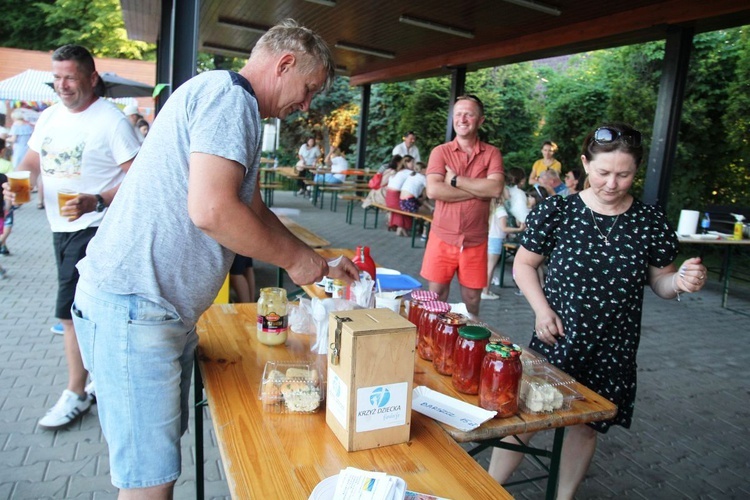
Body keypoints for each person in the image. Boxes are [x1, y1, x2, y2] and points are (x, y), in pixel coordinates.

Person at [71, 19, 359, 498]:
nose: (305, 106)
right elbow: (212, 210)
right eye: (308, 90)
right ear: (284, 63)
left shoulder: (225, 96)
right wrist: (294, 261)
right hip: (136, 307)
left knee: (155, 469)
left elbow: (251, 209)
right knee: (149, 482)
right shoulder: (233, 99)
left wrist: (316, 261)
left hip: (152, 310)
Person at [488, 123, 708, 499]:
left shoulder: (649, 221)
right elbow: (523, 266)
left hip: (613, 348)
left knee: (586, 426)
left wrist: (683, 283)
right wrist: (541, 311)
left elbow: (663, 282)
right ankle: (485, 490)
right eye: (604, 172)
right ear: (586, 164)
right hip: (555, 337)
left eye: (624, 175)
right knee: (526, 418)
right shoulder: (557, 210)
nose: (612, 183)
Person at [1, 45, 141, 430]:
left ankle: (76, 393)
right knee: (90, 314)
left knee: (69, 315)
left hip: (95, 230)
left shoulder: (111, 122)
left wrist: (96, 199)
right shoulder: (48, 118)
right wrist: (17, 185)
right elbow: (30, 163)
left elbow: (140, 177)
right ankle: (99, 379)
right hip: (59, 229)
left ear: (92, 78)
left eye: (69, 77)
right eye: (56, 78)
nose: (61, 85)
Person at [420, 95, 504, 316]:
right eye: (458, 114)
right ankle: (434, 340)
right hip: (442, 236)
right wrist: (478, 192)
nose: (462, 119)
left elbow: (495, 189)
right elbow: (434, 190)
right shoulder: (440, 152)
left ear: (481, 120)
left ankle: (470, 342)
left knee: (472, 299)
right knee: (436, 296)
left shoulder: (492, 153)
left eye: (469, 114)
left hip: (475, 240)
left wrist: (455, 180)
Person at [482, 167, 528, 299]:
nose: (509, 192)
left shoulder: (495, 207)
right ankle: (485, 291)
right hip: (496, 240)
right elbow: (504, 228)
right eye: (507, 190)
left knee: (489, 266)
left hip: (492, 238)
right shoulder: (501, 209)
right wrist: (519, 230)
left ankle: (484, 290)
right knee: (490, 266)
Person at [397, 160, 428, 237]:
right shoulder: (422, 178)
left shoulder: (412, 175)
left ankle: (421, 230)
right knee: (429, 213)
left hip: (402, 202)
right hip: (409, 202)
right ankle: (424, 234)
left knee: (424, 205)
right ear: (423, 170)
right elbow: (431, 189)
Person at [385, 154, 414, 233]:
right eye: (412, 163)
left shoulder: (399, 171)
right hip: (395, 198)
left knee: (405, 201)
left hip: (389, 198)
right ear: (407, 163)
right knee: (410, 204)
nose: (414, 165)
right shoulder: (409, 173)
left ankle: (399, 226)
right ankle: (402, 226)